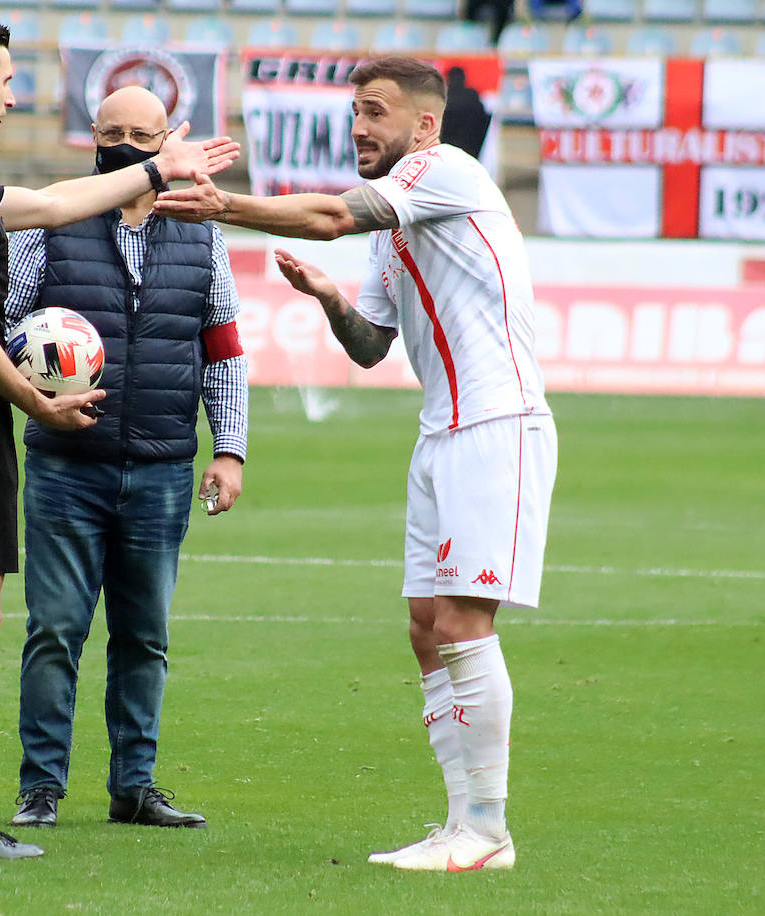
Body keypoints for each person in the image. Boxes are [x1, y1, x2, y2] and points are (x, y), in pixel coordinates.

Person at [0, 15, 240, 860]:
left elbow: (60, 202)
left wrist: (157, 167)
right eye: (12, 79)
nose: (19, 95)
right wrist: (35, 399)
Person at [155, 56, 556, 872]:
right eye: (355, 113)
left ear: (424, 125)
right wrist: (330, 300)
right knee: (423, 627)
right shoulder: (401, 225)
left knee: (462, 625)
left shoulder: (445, 172)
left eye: (376, 111)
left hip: (497, 423)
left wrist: (223, 205)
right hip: (440, 430)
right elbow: (373, 347)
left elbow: (334, 217)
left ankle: (487, 829)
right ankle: (458, 823)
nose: (360, 128)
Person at [5, 86, 248, 831]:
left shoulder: (203, 233)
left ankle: (133, 786)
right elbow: (7, 324)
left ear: (169, 137)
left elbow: (224, 351)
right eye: (111, 132)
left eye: (141, 134)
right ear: (93, 136)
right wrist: (32, 389)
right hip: (64, 464)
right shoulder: (53, 218)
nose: (124, 144)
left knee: (145, 635)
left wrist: (229, 449)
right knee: (54, 629)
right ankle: (41, 787)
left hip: (163, 467)